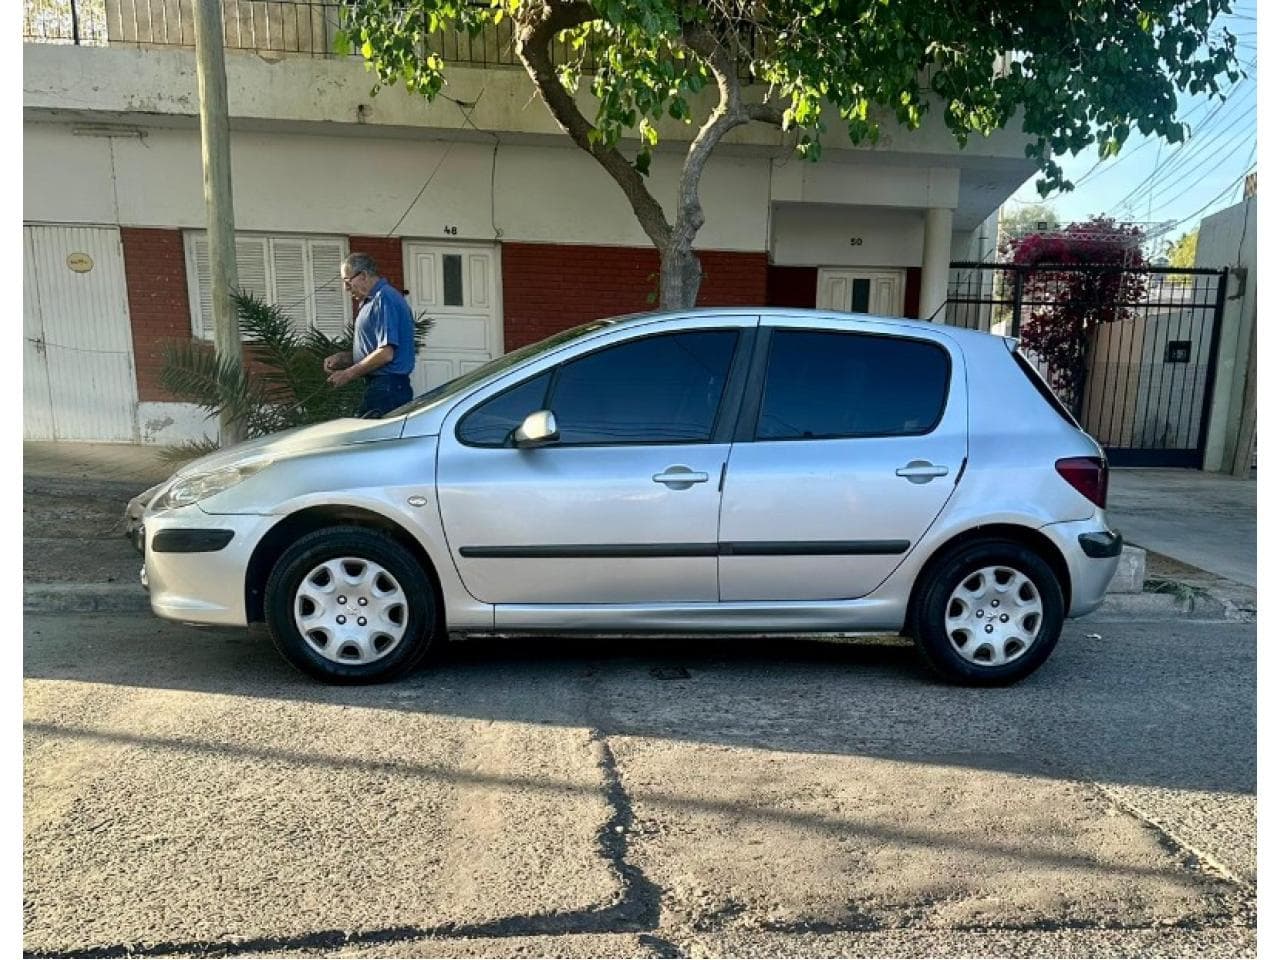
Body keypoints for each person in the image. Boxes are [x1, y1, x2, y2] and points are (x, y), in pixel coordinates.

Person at [324, 253, 416, 417]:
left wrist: (347, 374)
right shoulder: (372, 301)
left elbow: (386, 353)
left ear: (364, 275)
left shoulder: (384, 299)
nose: (346, 288)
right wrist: (345, 359)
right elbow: (375, 350)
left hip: (388, 388)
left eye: (347, 281)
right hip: (384, 386)